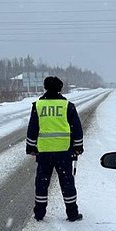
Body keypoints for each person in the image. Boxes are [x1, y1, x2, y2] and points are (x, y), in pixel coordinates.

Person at [26, 76, 84, 222]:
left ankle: (39, 214)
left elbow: (32, 129)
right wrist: (78, 147)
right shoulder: (68, 106)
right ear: (60, 88)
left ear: (45, 88)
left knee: (42, 182)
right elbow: (77, 129)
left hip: (44, 152)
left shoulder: (38, 106)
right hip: (64, 151)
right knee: (67, 183)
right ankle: (72, 214)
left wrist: (31, 147)